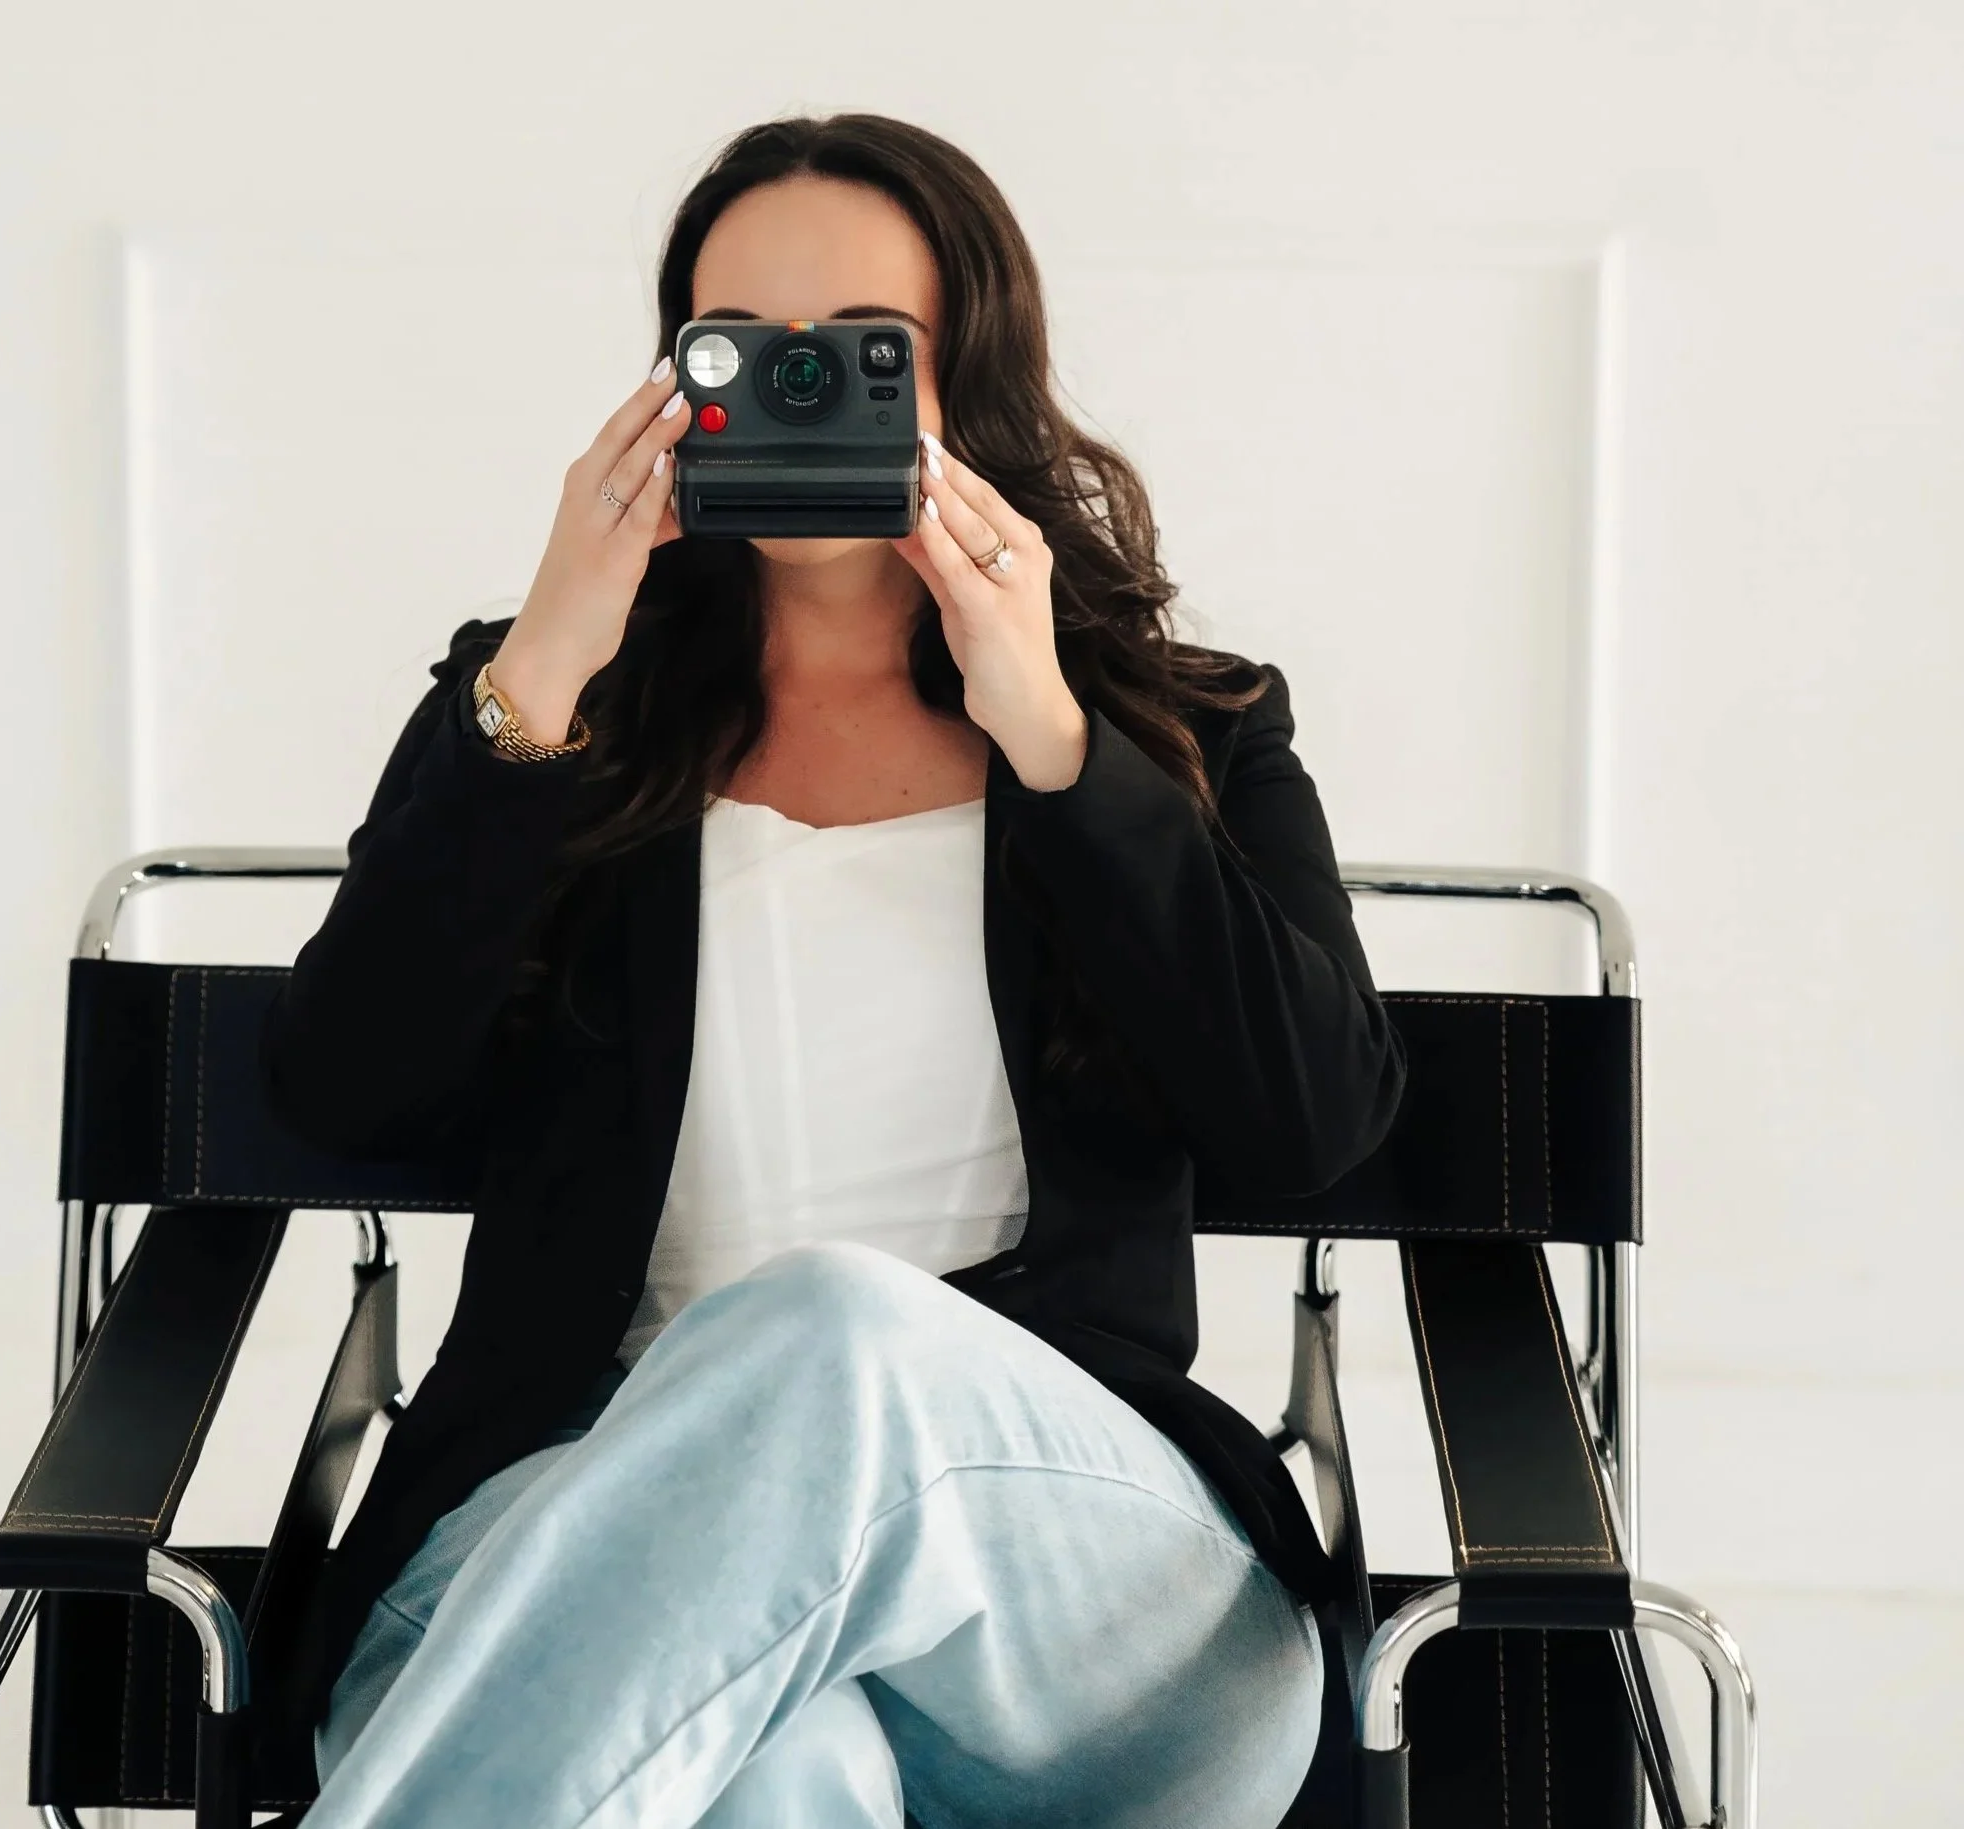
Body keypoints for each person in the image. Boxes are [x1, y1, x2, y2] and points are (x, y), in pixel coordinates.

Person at [262, 111, 1407, 1829]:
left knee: (828, 1322)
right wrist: (549, 658)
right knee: (776, 1773)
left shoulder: (1180, 728)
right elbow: (344, 1089)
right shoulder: (549, 713)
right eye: (737, 353)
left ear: (976, 383)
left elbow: (1310, 1126)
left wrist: (1051, 733)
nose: (791, 397)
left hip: (1077, 1605)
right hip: (577, 1525)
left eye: (862, 356)